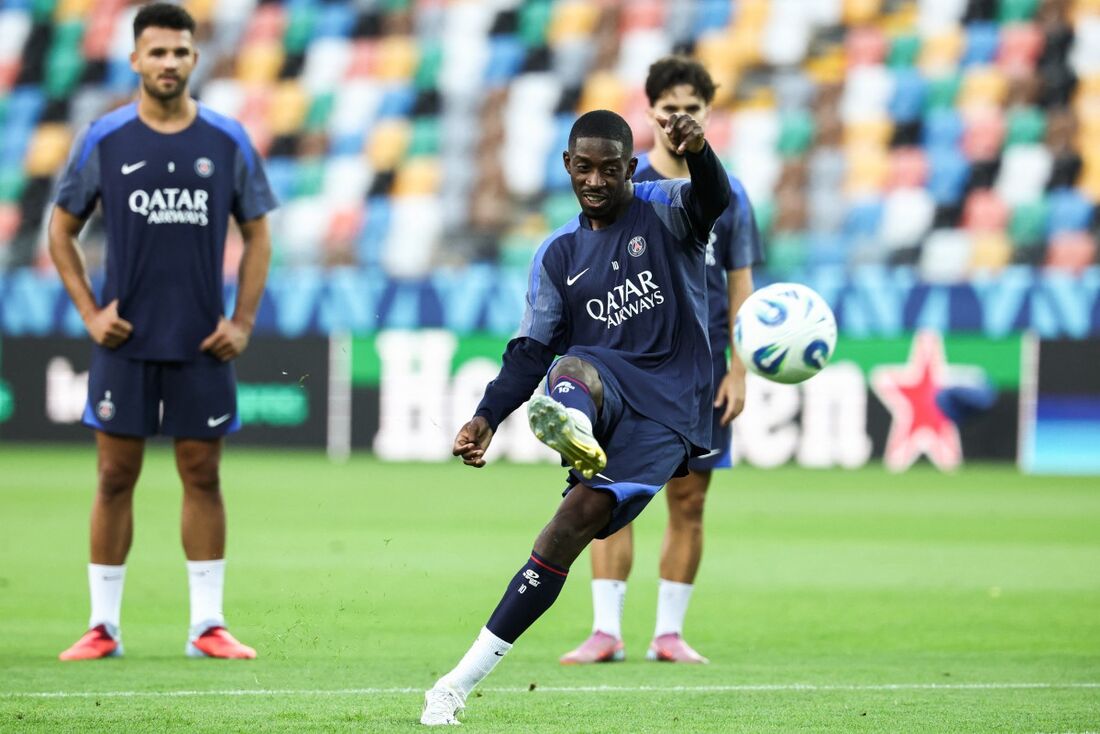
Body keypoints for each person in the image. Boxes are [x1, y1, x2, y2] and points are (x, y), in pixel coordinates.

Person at [420, 108, 731, 726]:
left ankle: (575, 429)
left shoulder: (668, 208)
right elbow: (530, 350)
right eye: (583, 168)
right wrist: (487, 417)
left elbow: (713, 199)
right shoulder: (557, 253)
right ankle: (451, 688)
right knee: (571, 365)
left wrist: (699, 151)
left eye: (610, 170)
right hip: (599, 388)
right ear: (566, 164)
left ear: (631, 168)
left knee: (572, 524)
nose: (595, 180)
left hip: (670, 408)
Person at [49, 3, 277, 661]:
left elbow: (259, 234)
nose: (169, 63)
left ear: (194, 59)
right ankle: (103, 626)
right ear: (135, 60)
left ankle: (207, 625)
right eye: (157, 52)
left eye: (180, 52)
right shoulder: (105, 138)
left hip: (202, 342)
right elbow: (60, 231)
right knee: (113, 475)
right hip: (124, 341)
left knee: (202, 474)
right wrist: (90, 313)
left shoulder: (226, 139)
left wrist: (242, 321)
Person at [560, 57, 763, 666]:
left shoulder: (728, 193)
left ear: (708, 114)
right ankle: (606, 630)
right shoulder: (625, 182)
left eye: (692, 109)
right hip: (632, 365)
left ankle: (668, 633)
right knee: (609, 492)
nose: (681, 118)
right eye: (671, 108)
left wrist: (739, 369)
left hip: (703, 369)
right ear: (650, 112)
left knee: (689, 501)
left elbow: (740, 282)